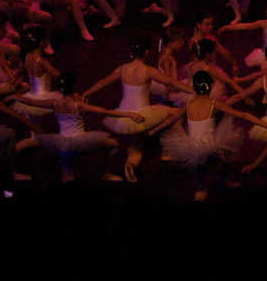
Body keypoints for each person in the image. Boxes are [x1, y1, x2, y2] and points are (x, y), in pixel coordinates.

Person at [80, 35, 193, 182]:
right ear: (147, 52)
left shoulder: (122, 69)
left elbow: (103, 83)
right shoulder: (148, 70)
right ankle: (168, 150)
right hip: (143, 115)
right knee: (176, 113)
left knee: (135, 152)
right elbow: (171, 82)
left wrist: (85, 94)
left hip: (124, 116)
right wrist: (193, 91)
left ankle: (130, 164)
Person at [150, 70, 267, 201]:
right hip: (211, 149)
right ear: (210, 86)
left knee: (195, 164)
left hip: (191, 147)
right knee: (226, 153)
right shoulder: (214, 104)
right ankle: (222, 182)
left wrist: (154, 130)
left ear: (194, 87)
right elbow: (243, 115)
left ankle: (200, 189)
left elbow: (172, 119)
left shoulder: (188, 105)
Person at [10, 71, 145, 182]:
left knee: (68, 179)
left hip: (62, 145)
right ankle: (105, 174)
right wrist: (129, 114)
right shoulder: (78, 106)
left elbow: (31, 102)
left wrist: (15, 97)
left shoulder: (54, 103)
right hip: (81, 144)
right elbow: (105, 111)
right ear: (74, 87)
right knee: (113, 144)